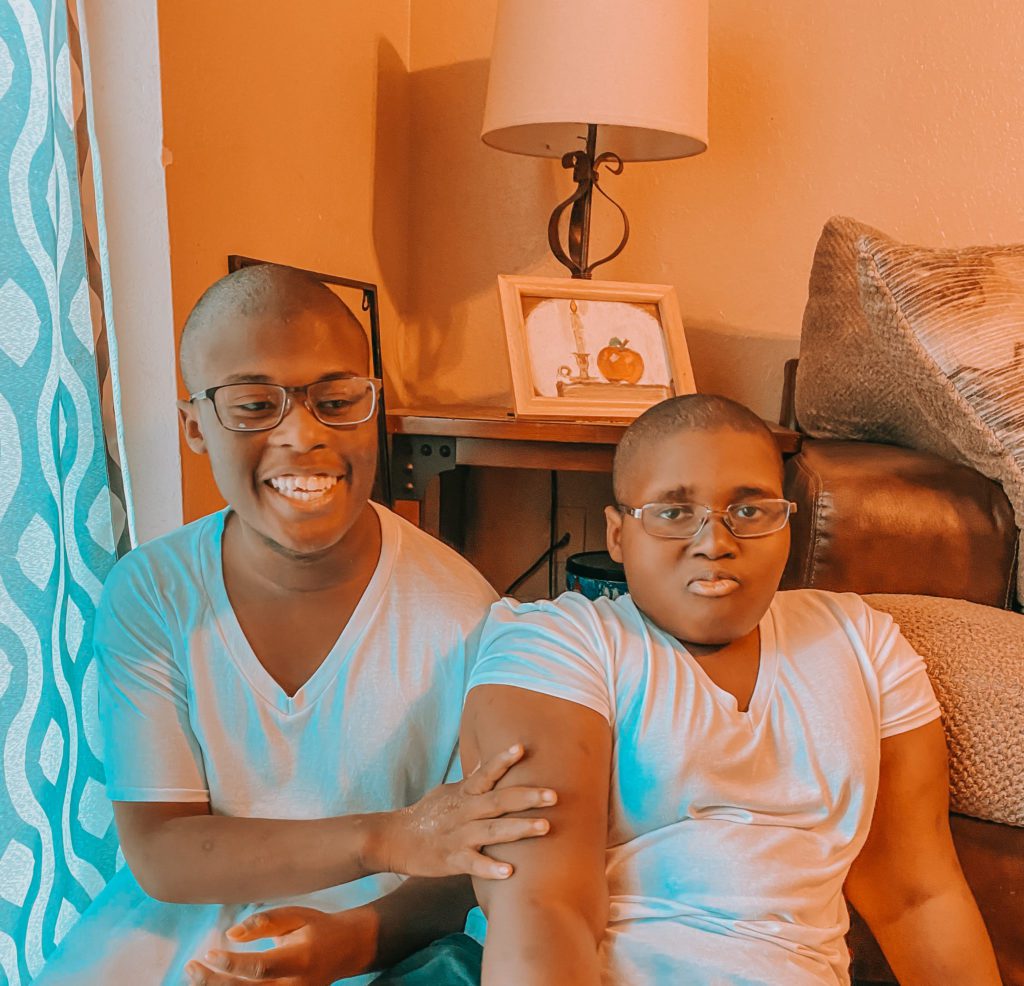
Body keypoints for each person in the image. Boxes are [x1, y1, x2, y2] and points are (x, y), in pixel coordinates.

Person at [35, 265, 555, 986]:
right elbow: (161, 849)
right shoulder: (151, 594)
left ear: (374, 409)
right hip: (181, 921)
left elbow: (472, 855)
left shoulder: (468, 615)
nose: (301, 436)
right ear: (195, 426)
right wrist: (387, 835)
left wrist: (348, 943)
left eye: (337, 400)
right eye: (253, 405)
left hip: (377, 934)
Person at [461, 394, 1002, 985]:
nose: (715, 542)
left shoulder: (862, 640)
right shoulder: (557, 644)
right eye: (673, 512)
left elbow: (916, 895)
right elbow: (542, 910)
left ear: (787, 521)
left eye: (748, 511)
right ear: (618, 535)